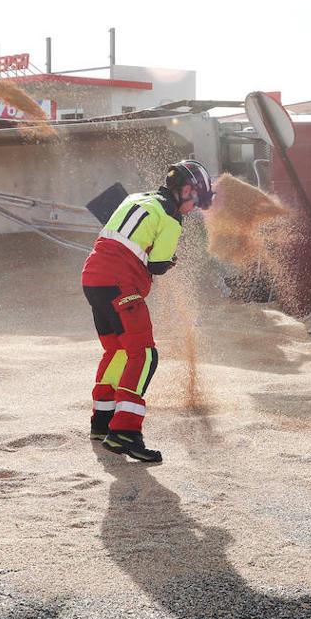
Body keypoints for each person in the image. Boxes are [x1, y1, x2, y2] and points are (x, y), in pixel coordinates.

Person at [81, 160, 214, 462]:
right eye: (196, 200)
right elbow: (157, 265)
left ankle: (101, 423)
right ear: (186, 190)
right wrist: (169, 261)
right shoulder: (170, 217)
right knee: (144, 354)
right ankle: (125, 432)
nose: (194, 208)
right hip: (119, 283)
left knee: (116, 351)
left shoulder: (135, 198)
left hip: (92, 277)